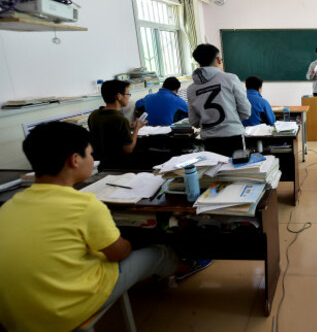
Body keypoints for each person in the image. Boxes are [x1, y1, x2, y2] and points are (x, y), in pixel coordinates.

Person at [0, 122, 181, 332]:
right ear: (74, 160)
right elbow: (118, 253)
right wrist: (129, 243)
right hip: (63, 313)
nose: (93, 158)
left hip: (13, 318)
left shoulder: (9, 206)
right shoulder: (85, 205)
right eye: (90, 153)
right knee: (160, 253)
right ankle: (179, 267)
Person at [187, 43, 251, 156]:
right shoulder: (230, 78)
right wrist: (231, 121)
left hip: (209, 141)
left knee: (215, 172)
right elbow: (245, 111)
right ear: (218, 59)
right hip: (233, 137)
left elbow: (194, 121)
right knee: (237, 171)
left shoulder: (191, 89)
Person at [88, 80, 146, 170]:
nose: (128, 97)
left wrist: (127, 127)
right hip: (118, 165)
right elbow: (128, 149)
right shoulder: (120, 120)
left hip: (101, 164)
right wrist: (137, 128)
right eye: (128, 94)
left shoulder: (94, 115)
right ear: (119, 96)